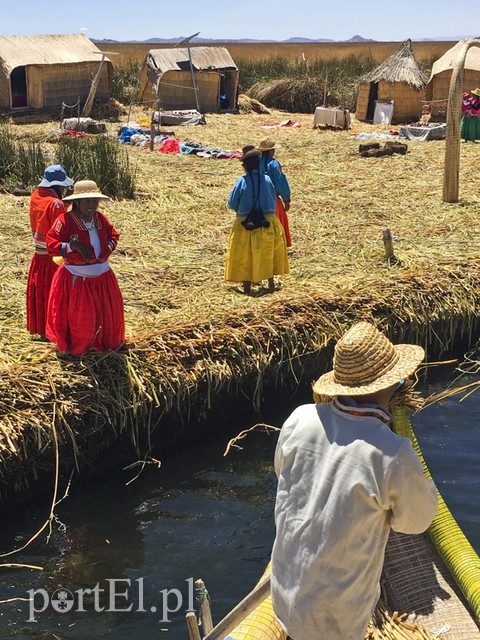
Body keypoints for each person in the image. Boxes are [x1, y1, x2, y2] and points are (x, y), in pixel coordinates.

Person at [270, 321, 438, 640]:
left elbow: (284, 474)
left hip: (285, 597)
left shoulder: (300, 418)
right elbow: (415, 523)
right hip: (338, 619)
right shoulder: (392, 452)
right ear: (393, 384)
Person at [46, 180, 125, 355]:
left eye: (94, 201)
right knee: (82, 317)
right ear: (77, 202)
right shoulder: (65, 220)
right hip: (77, 279)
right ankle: (81, 347)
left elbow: (113, 235)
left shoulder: (100, 218)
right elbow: (51, 245)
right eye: (87, 201)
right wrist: (72, 247)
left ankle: (101, 344)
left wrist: (106, 250)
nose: (91, 205)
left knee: (104, 314)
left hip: (103, 277)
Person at [225, 145, 289, 295]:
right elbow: (273, 199)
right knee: (268, 251)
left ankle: (247, 287)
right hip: (268, 221)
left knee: (244, 254)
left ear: (245, 166)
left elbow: (232, 202)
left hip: (245, 223)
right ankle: (270, 284)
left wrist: (241, 210)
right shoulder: (267, 179)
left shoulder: (242, 181)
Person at [26, 165, 73, 337]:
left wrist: (65, 202)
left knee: (41, 291)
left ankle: (41, 328)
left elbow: (47, 214)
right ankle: (55, 329)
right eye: (63, 187)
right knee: (55, 293)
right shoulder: (56, 203)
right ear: (58, 186)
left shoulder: (35, 195)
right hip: (52, 258)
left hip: (39, 255)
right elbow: (59, 226)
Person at [258, 138, 292, 247]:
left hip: (257, 198)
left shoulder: (256, 162)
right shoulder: (273, 164)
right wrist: (286, 199)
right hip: (272, 199)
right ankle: (276, 245)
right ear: (270, 151)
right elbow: (280, 182)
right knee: (276, 222)